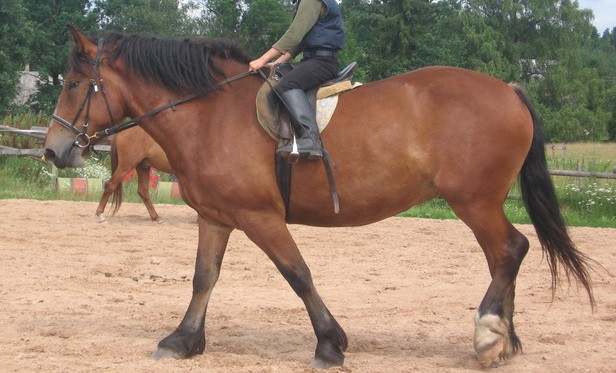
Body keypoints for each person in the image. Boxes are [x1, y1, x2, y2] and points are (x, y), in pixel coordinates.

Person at [249, 0, 345, 160]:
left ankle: (311, 139)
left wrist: (262, 59)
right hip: (315, 59)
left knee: (285, 86)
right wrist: (278, 62)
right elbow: (299, 43)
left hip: (321, 61)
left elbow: (294, 34)